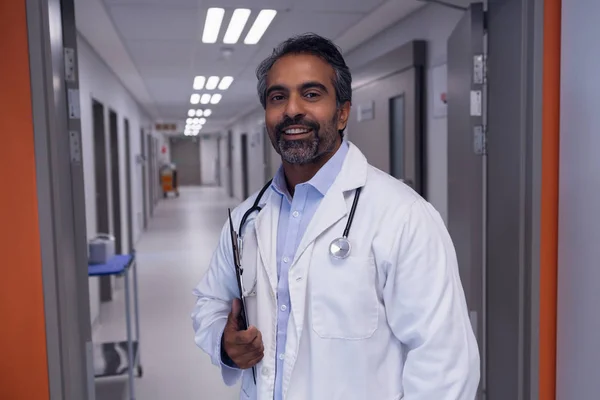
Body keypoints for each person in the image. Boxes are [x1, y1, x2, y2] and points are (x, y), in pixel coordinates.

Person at [191, 33, 480, 400]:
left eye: (311, 94)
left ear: (343, 112)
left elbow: (445, 364)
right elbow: (210, 302)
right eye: (278, 97)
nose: (292, 109)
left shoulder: (404, 217)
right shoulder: (246, 219)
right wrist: (224, 342)